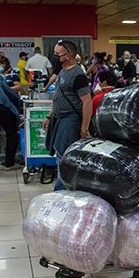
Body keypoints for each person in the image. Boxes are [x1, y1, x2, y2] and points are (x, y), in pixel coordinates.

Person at [43, 40, 93, 191]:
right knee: (60, 155)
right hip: (59, 119)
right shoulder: (63, 71)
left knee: (64, 159)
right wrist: (50, 115)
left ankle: (59, 193)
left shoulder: (78, 75)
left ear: (69, 54)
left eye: (58, 54)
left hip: (71, 120)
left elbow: (87, 102)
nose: (56, 57)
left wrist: (84, 129)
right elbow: (59, 96)